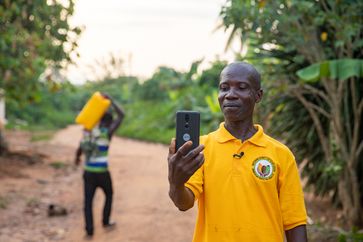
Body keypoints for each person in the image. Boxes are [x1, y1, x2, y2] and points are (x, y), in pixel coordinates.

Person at [167, 62, 308, 242]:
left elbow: (294, 223)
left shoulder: (281, 154)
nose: (230, 95)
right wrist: (176, 183)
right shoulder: (201, 148)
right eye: (224, 88)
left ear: (258, 95)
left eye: (242, 88)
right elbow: (183, 203)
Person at [75, 93, 124, 237]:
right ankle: (106, 221)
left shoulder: (88, 131)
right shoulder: (107, 133)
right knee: (109, 194)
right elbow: (121, 115)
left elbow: (80, 147)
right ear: (109, 123)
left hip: (88, 172)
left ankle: (89, 230)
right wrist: (111, 100)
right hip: (102, 172)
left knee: (88, 202)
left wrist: (77, 158)